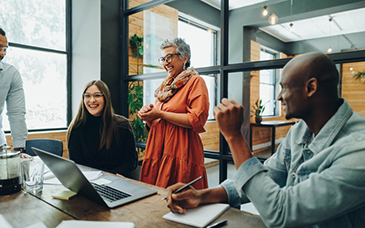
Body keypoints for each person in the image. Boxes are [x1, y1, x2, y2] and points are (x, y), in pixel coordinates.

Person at [166, 52, 365, 227]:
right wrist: (202, 196)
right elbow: (266, 177)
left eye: (284, 87)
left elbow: (281, 213)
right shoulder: (300, 131)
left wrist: (234, 137)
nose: (279, 97)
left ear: (311, 88)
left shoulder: (358, 151)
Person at [138, 37, 209, 189]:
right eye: (163, 59)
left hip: (181, 152)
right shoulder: (165, 88)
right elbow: (156, 124)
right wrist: (148, 117)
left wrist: (160, 114)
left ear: (185, 58)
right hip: (158, 150)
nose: (165, 63)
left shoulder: (195, 82)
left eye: (169, 57)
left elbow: (196, 120)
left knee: (181, 200)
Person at [67, 80, 138, 177]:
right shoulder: (76, 127)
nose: (92, 100)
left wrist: (112, 176)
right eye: (87, 96)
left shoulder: (122, 125)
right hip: (89, 182)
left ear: (106, 98)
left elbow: (131, 162)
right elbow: (77, 164)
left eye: (97, 95)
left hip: (117, 180)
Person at [0, 27, 28, 153]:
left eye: (4, 49)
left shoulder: (10, 74)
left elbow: (16, 113)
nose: (2, 53)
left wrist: (19, 149)